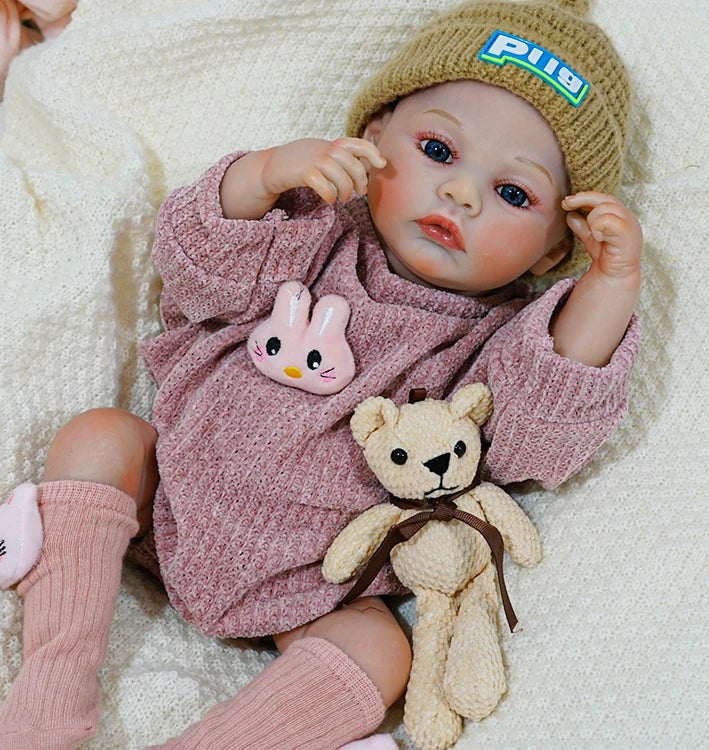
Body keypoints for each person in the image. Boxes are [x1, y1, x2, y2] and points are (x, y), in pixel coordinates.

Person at [0, 0, 643, 747]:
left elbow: (538, 442)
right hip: (166, 496)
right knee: (100, 437)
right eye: (437, 149)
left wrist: (608, 288)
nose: (461, 193)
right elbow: (192, 270)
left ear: (547, 252)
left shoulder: (502, 343)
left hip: (315, 582)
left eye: (512, 194)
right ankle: (49, 694)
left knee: (380, 650)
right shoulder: (311, 227)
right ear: (372, 136)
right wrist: (263, 174)